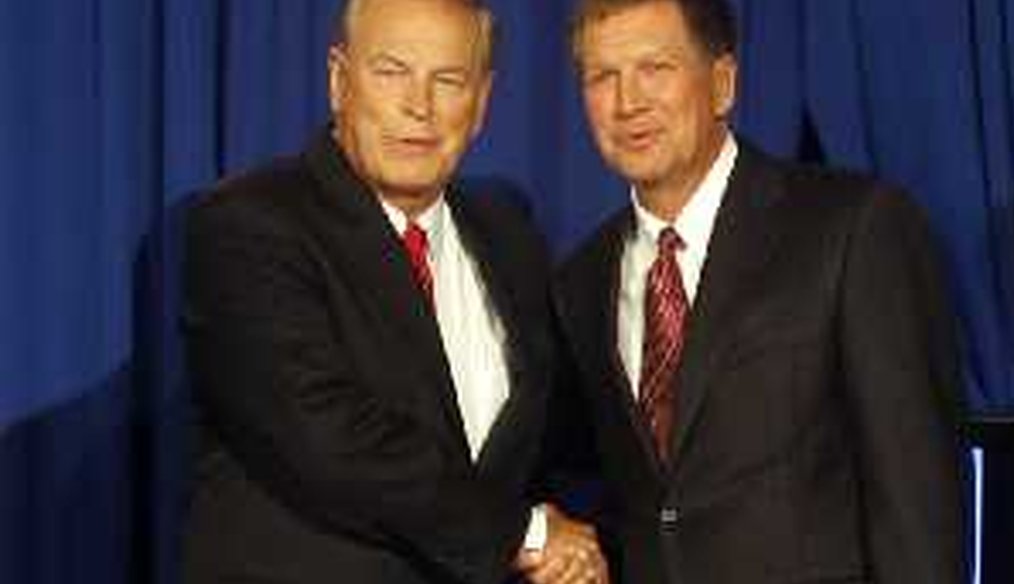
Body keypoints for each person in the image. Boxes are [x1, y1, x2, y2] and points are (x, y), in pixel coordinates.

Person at [181, 1, 607, 583]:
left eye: (448, 80)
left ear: (481, 102)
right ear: (339, 80)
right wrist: (527, 534)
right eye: (391, 71)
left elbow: (547, 440)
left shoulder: (509, 235)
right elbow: (326, 438)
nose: (419, 106)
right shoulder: (248, 226)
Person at [553, 0, 967, 582]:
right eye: (602, 77)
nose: (628, 102)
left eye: (656, 68)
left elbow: (915, 496)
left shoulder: (853, 228)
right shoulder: (580, 281)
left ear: (722, 83)